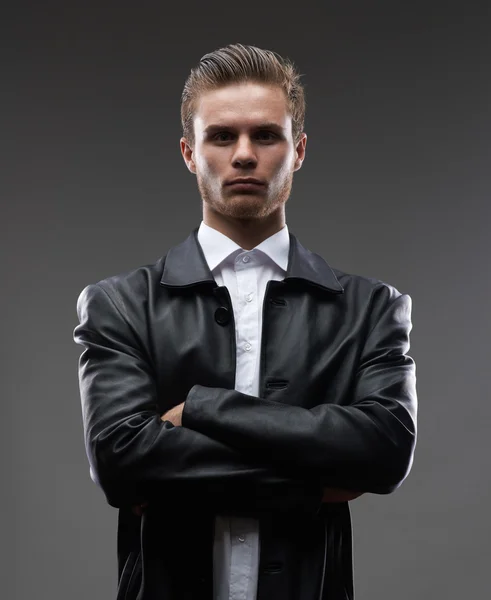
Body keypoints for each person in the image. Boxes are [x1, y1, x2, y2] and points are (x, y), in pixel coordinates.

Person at [73, 43, 417, 600]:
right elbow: (120, 462)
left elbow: (384, 451)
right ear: (189, 152)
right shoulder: (120, 304)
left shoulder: (370, 308)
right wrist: (318, 480)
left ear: (298, 150)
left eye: (265, 135)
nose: (243, 155)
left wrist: (203, 409)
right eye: (221, 136)